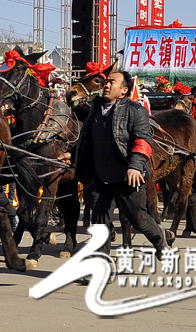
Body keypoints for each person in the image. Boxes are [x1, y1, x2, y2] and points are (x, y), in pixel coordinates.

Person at [75, 70, 166, 254]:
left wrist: (134, 166)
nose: (106, 85)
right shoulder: (94, 110)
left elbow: (143, 140)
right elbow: (86, 140)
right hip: (101, 177)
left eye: (112, 82)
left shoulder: (135, 110)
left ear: (124, 90)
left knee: (138, 219)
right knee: (100, 223)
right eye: (106, 82)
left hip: (128, 176)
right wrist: (72, 154)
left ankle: (159, 239)